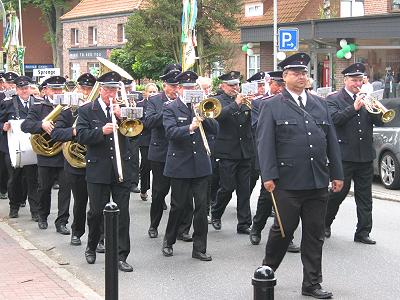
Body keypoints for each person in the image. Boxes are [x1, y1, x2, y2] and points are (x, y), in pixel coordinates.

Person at [257, 53, 344, 299]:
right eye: (296, 73)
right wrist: (269, 176)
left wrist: (337, 173)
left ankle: (312, 284)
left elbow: (331, 141)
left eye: (304, 73)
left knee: (314, 235)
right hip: (287, 182)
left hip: (317, 180)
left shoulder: (319, 104)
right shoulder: (272, 105)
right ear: (285, 77)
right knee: (283, 231)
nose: (302, 77)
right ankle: (267, 270)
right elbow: (265, 144)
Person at [76, 71, 133, 272]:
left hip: (120, 168)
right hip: (98, 168)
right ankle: (91, 246)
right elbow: (81, 136)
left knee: (123, 214)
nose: (111, 93)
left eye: (115, 89)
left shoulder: (125, 109)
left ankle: (120, 255)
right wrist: (101, 132)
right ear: (100, 90)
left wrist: (121, 116)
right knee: (96, 212)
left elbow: (135, 134)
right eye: (108, 89)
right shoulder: (86, 110)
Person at [162, 70, 218, 261]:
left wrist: (205, 117)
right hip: (180, 164)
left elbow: (216, 130)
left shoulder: (201, 106)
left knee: (201, 208)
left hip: (201, 164)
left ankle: (199, 248)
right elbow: (170, 133)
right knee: (178, 206)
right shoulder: (170, 108)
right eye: (186, 87)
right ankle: (169, 240)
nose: (190, 90)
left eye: (192, 87)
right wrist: (190, 127)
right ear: (178, 89)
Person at [324, 63, 383, 245]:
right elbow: (334, 120)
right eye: (354, 80)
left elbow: (379, 122)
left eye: (360, 80)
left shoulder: (367, 98)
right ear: (346, 80)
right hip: (344, 156)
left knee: (365, 197)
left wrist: (376, 109)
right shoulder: (333, 99)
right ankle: (325, 223)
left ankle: (363, 232)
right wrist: (354, 108)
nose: (358, 83)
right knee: (337, 193)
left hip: (365, 155)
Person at [51, 73, 104, 248]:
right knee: (80, 201)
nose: (87, 92)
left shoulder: (100, 111)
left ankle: (99, 237)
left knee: (99, 205)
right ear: (78, 89)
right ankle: (77, 231)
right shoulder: (68, 112)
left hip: (97, 161)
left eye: (90, 89)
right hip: (76, 164)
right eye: (84, 88)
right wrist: (74, 132)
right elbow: (56, 133)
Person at [249, 70, 300, 253]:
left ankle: (288, 236)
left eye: (282, 85)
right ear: (270, 83)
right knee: (266, 197)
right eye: (277, 85)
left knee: (289, 200)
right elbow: (257, 128)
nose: (279, 89)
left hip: (292, 157)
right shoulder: (259, 103)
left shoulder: (293, 102)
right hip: (272, 155)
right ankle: (256, 227)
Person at [145, 64, 193, 240]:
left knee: (184, 196)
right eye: (172, 86)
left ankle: (183, 229)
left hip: (182, 152)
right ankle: (154, 224)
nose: (174, 89)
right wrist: (167, 110)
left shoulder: (186, 101)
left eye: (177, 86)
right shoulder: (155, 100)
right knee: (159, 192)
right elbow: (148, 122)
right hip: (161, 152)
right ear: (164, 85)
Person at [21, 76, 72, 234]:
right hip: (46, 155)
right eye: (53, 89)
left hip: (64, 154)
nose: (57, 92)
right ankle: (43, 216)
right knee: (44, 189)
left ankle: (62, 221)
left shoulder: (68, 108)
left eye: (59, 89)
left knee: (65, 189)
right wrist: (41, 124)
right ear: (46, 90)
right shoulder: (38, 107)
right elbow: (25, 125)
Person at [211, 71, 253, 235]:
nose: (235, 87)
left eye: (236, 84)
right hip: (227, 151)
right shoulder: (217, 101)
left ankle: (244, 223)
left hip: (245, 151)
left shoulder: (245, 99)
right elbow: (219, 117)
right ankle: (216, 212)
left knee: (244, 189)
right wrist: (236, 103)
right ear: (222, 86)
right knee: (227, 187)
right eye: (231, 85)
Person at [0, 76, 40, 220]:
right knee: (14, 179)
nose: (24, 91)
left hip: (32, 147)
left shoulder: (37, 102)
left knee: (32, 179)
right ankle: (14, 206)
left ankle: (35, 211)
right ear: (16, 90)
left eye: (26, 88)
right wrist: (2, 126)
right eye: (21, 88)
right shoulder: (8, 103)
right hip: (13, 147)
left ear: (30, 88)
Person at [137, 83, 158, 201]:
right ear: (145, 93)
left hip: (157, 138)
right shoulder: (140, 105)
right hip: (145, 138)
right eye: (150, 91)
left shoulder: (160, 104)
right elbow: (139, 122)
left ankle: (157, 196)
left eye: (154, 91)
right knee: (146, 165)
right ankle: (144, 188)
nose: (152, 94)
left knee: (157, 168)